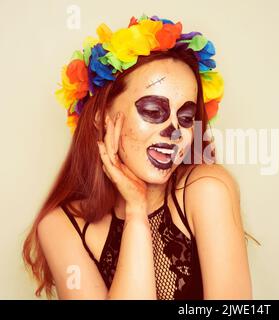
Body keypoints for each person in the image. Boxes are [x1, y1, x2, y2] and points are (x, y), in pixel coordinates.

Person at [22, 14, 252, 300]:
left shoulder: (207, 189)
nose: (174, 133)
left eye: (185, 117)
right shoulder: (60, 225)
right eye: (154, 112)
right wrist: (135, 211)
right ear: (100, 117)